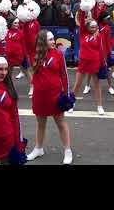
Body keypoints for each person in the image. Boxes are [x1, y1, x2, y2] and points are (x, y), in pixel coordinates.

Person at [26, 30, 73, 164]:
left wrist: (66, 95)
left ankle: (67, 150)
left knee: (61, 123)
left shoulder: (58, 54)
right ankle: (38, 148)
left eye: (53, 39)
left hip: (55, 96)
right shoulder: (34, 54)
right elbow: (26, 35)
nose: (54, 42)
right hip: (39, 96)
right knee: (41, 124)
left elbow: (64, 76)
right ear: (43, 41)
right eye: (51, 39)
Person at [72, 9, 105, 114]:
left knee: (96, 84)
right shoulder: (82, 33)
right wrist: (83, 10)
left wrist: (102, 64)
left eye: (95, 27)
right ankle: (71, 103)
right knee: (77, 84)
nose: (94, 28)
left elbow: (100, 50)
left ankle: (99, 106)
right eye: (92, 27)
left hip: (95, 62)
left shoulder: (98, 36)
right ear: (87, 27)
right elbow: (82, 21)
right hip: (83, 62)